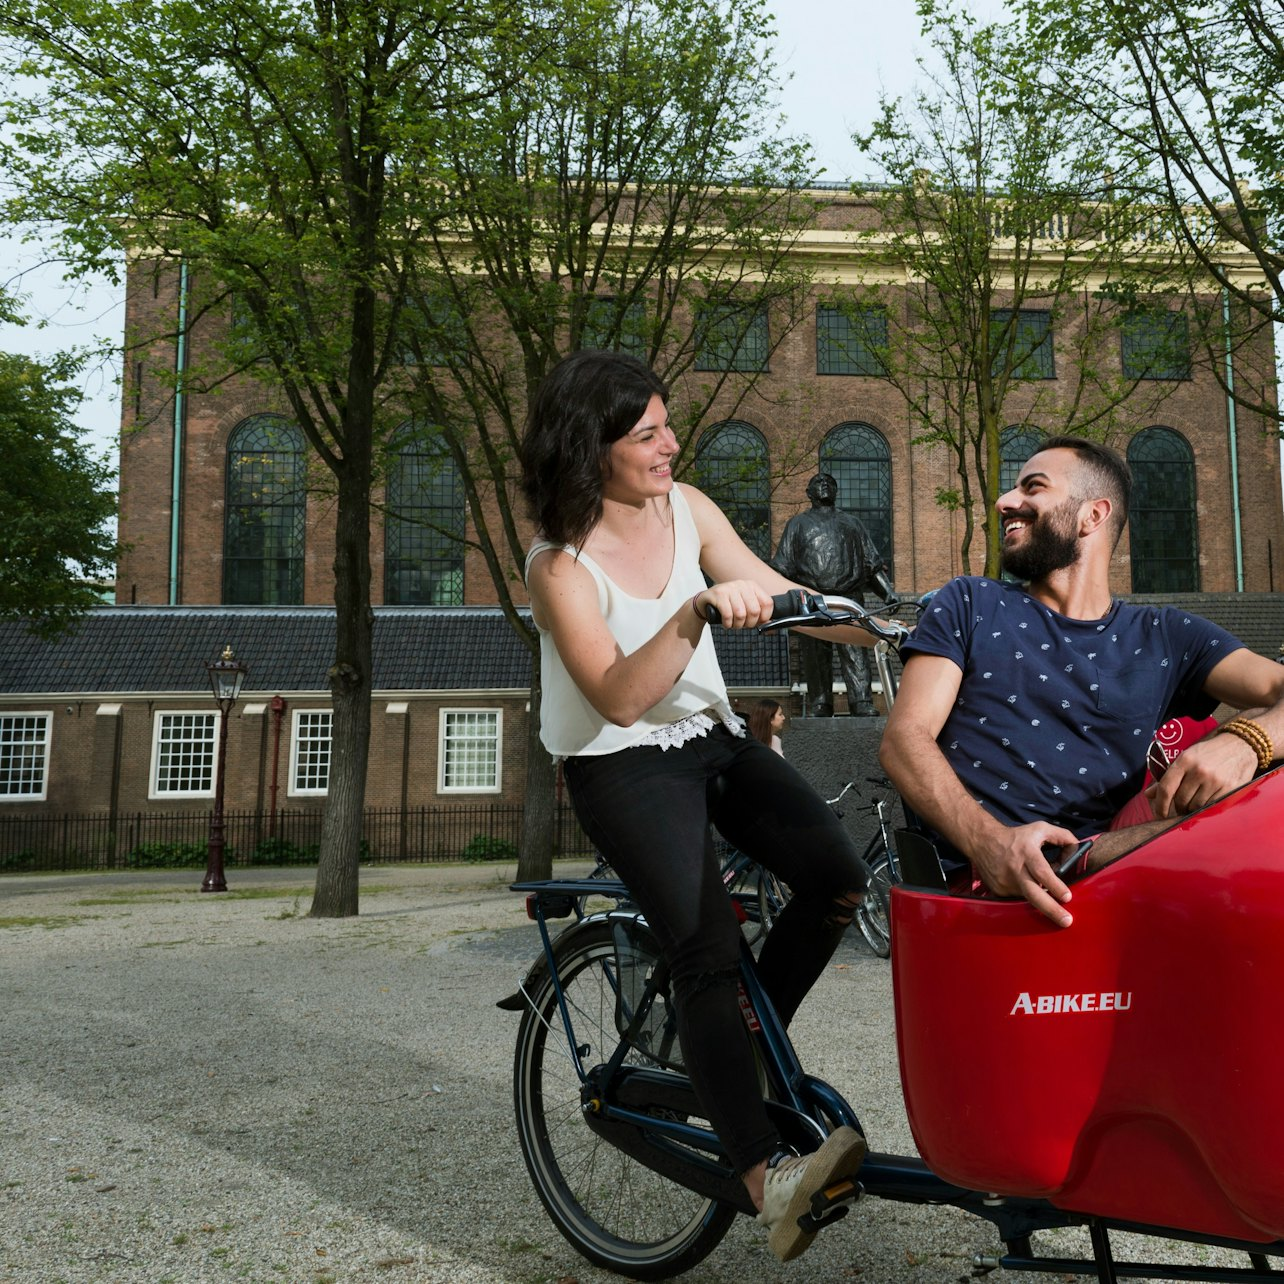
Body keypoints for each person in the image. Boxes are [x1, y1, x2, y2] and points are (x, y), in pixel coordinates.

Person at [520, 349, 879, 1261]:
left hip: (708, 739)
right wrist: (693, 615)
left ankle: (735, 1056)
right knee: (705, 944)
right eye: (648, 434)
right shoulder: (557, 565)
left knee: (837, 878)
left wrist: (891, 616)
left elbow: (787, 593)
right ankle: (767, 1179)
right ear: (589, 448)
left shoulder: (687, 509)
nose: (673, 444)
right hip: (620, 762)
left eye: (667, 423)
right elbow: (618, 696)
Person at [880, 435, 1284, 928]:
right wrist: (990, 843)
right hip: (984, 889)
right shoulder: (971, 603)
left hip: (1116, 872)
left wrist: (1246, 741)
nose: (1005, 502)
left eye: (1033, 487)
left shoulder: (1167, 635)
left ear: (1092, 515)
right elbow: (905, 740)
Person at [771, 473, 897, 716]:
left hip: (849, 600)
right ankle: (820, 702)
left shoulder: (852, 524)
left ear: (837, 492)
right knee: (815, 656)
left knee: (855, 651)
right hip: (812, 601)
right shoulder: (797, 525)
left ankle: (861, 701)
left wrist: (888, 593)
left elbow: (871, 563)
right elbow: (782, 567)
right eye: (818, 482)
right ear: (808, 493)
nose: (825, 485)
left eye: (830, 483)